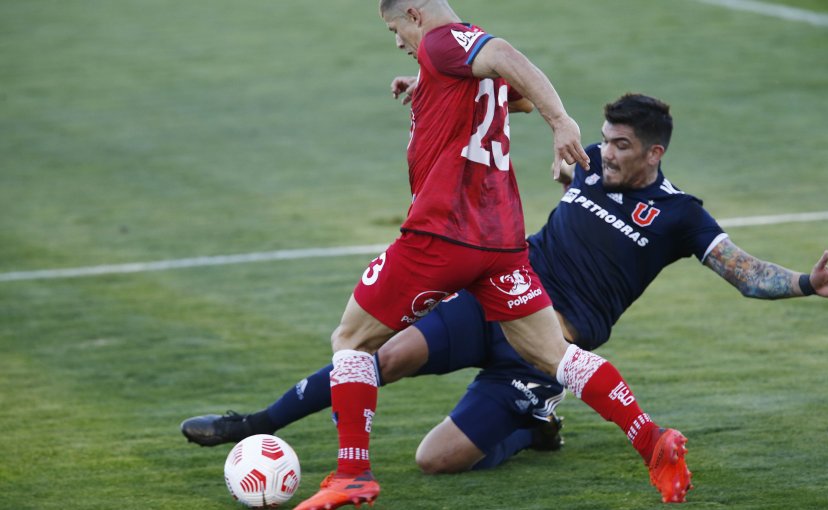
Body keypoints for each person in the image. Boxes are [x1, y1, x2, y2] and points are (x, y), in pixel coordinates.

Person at [183, 89, 828, 503]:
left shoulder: (682, 215)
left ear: (655, 153)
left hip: (544, 347)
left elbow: (743, 272)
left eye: (622, 146)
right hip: (492, 297)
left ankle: (534, 419)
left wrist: (807, 282)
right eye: (605, 140)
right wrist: (427, 92)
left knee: (434, 462)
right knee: (381, 356)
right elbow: (518, 106)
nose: (606, 154)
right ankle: (255, 424)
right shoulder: (589, 164)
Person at [268, 0, 694, 507]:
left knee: (351, 339)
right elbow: (514, 98)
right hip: (501, 243)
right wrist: (426, 89)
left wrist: (562, 121)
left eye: (395, 28)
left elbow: (509, 57)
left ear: (415, 12)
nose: (400, 42)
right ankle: (651, 441)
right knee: (554, 355)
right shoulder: (451, 57)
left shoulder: (442, 40)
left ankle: (352, 473)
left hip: (443, 232)